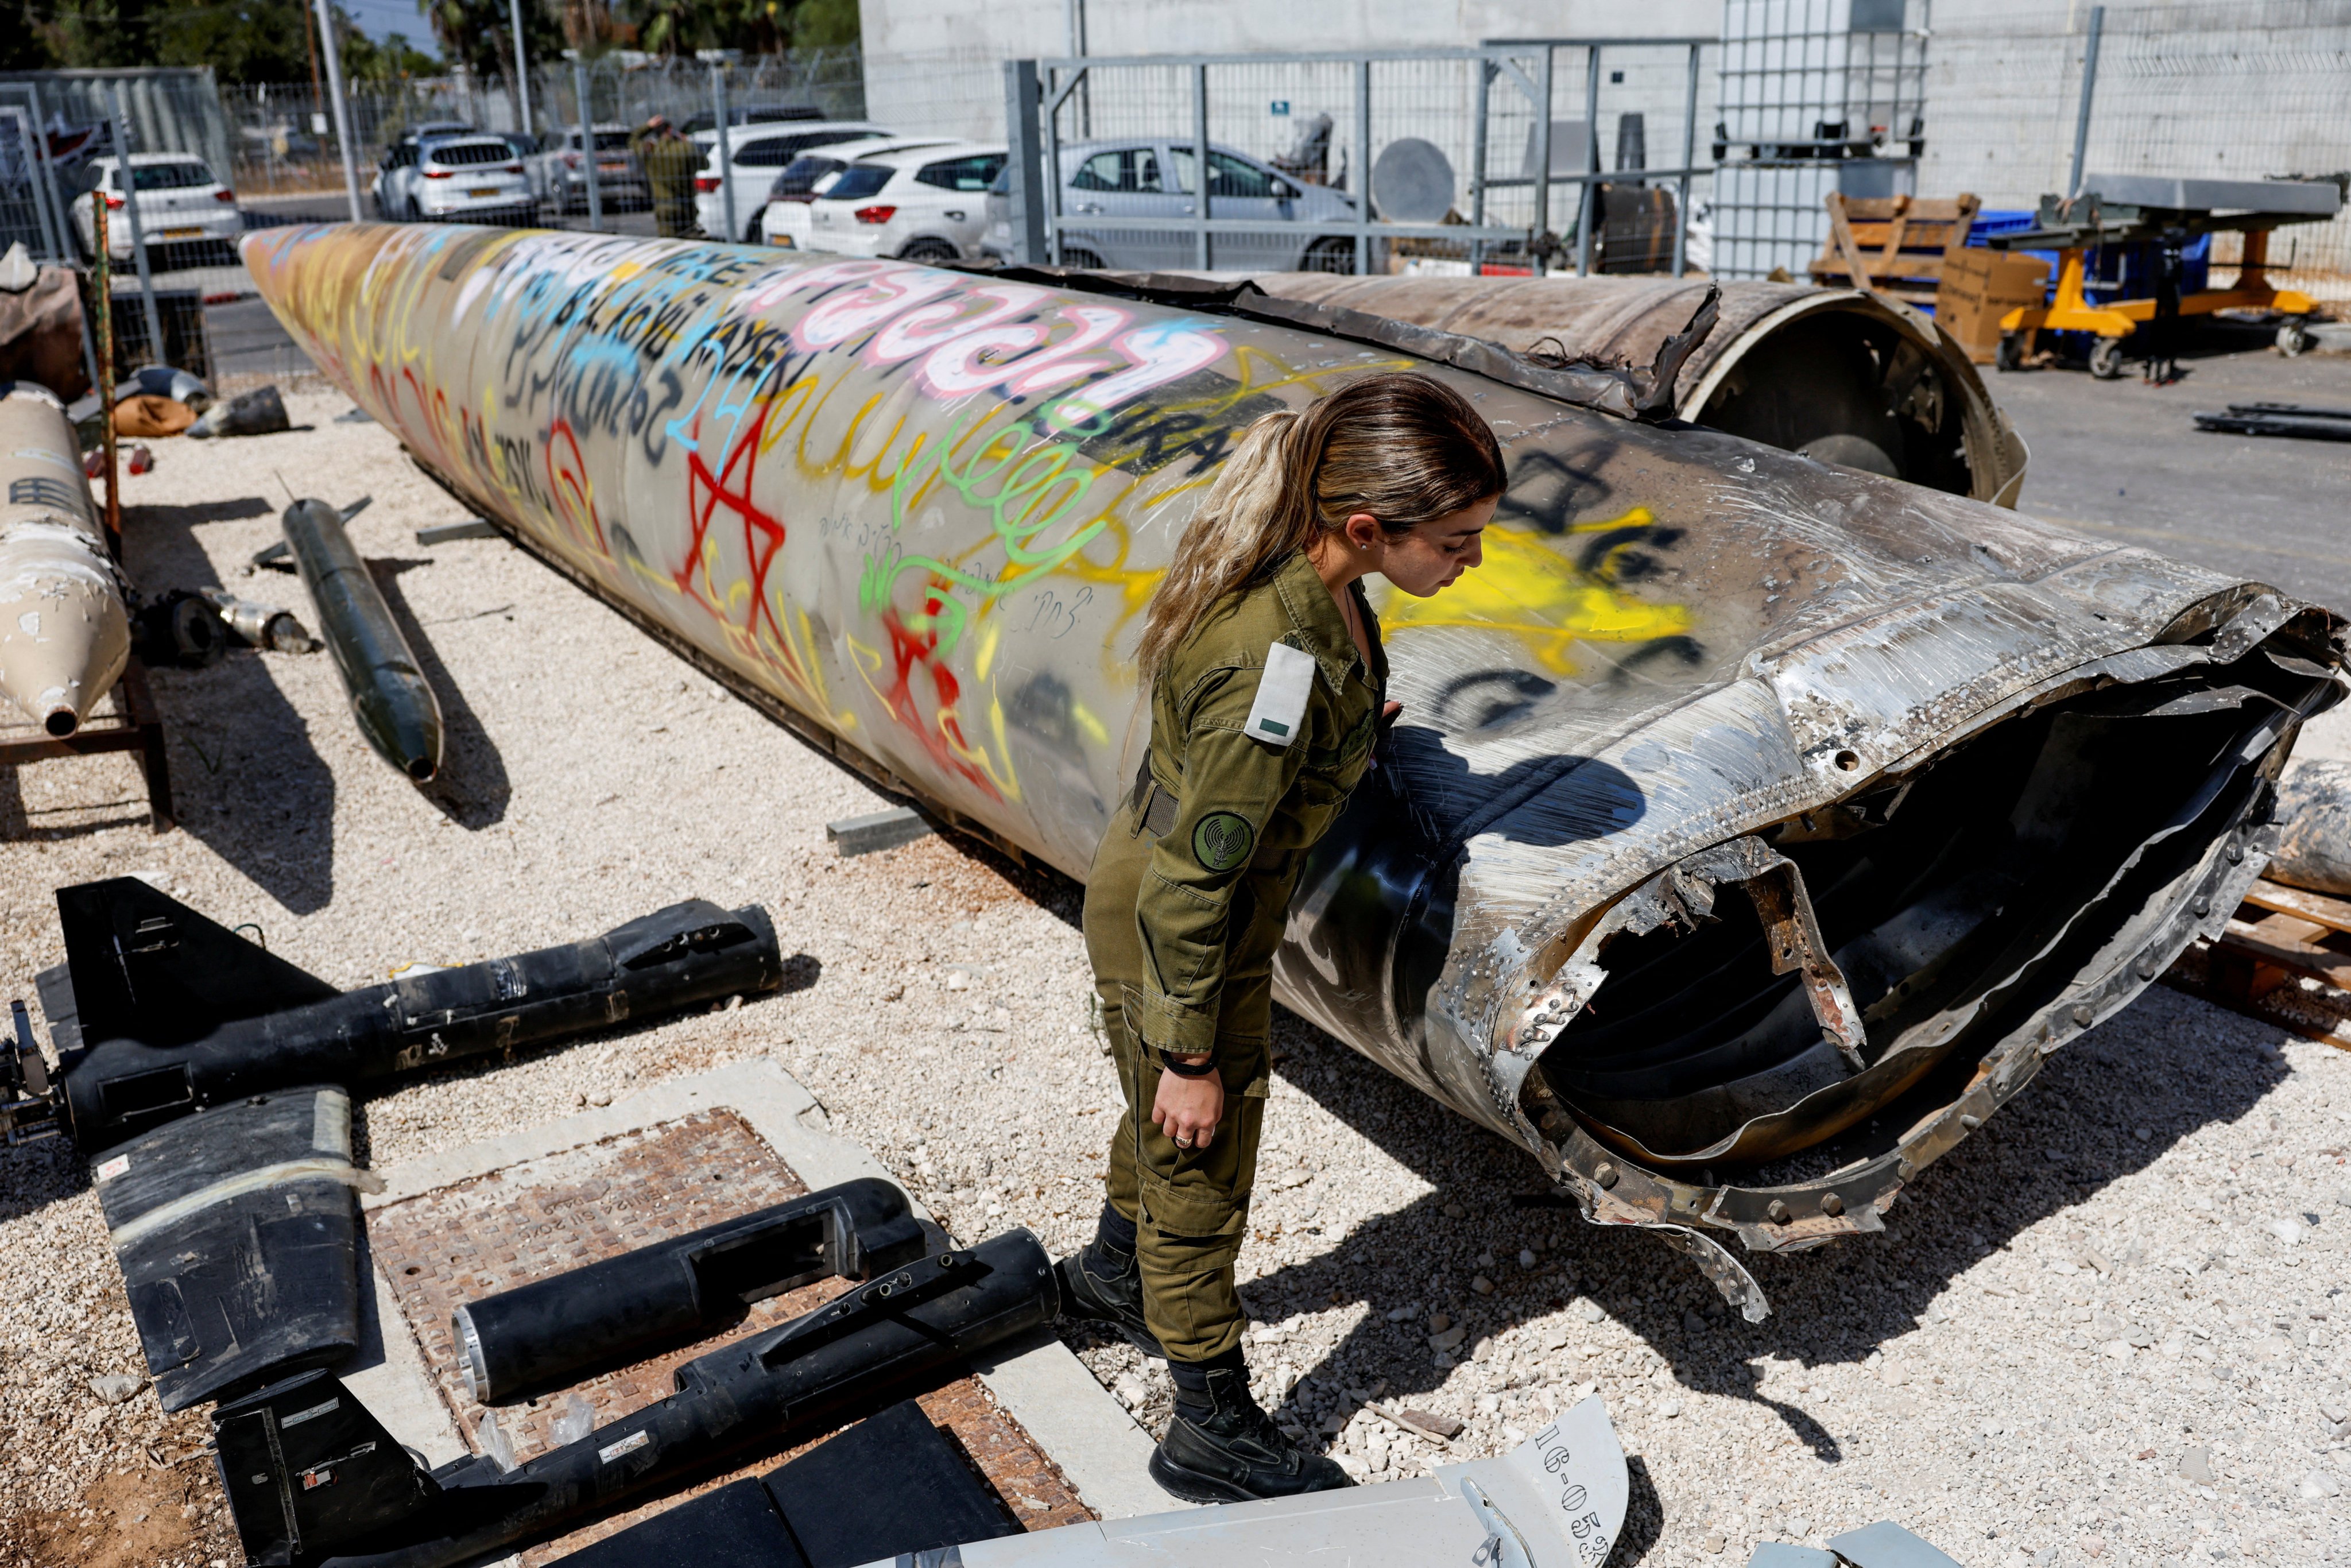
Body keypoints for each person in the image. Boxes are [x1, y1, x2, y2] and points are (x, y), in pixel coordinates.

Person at [1062, 371, 1506, 1503]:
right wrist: (1192, 1055)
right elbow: (1186, 891)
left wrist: (1348, 729)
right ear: (1367, 526)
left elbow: (1293, 716)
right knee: (1199, 1155)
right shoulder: (1277, 658)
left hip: (1196, 914)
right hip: (1180, 935)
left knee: (1159, 1134)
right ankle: (1208, 1423)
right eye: (1455, 538)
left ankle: (1116, 1281)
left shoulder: (1322, 592)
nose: (1471, 558)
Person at [631, 115, 701, 239]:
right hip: (686, 205)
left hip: (664, 206)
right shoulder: (685, 148)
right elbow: (704, 163)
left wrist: (647, 127)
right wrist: (686, 142)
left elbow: (633, 141)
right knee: (691, 241)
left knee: (668, 243)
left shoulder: (650, 150)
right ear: (670, 130)